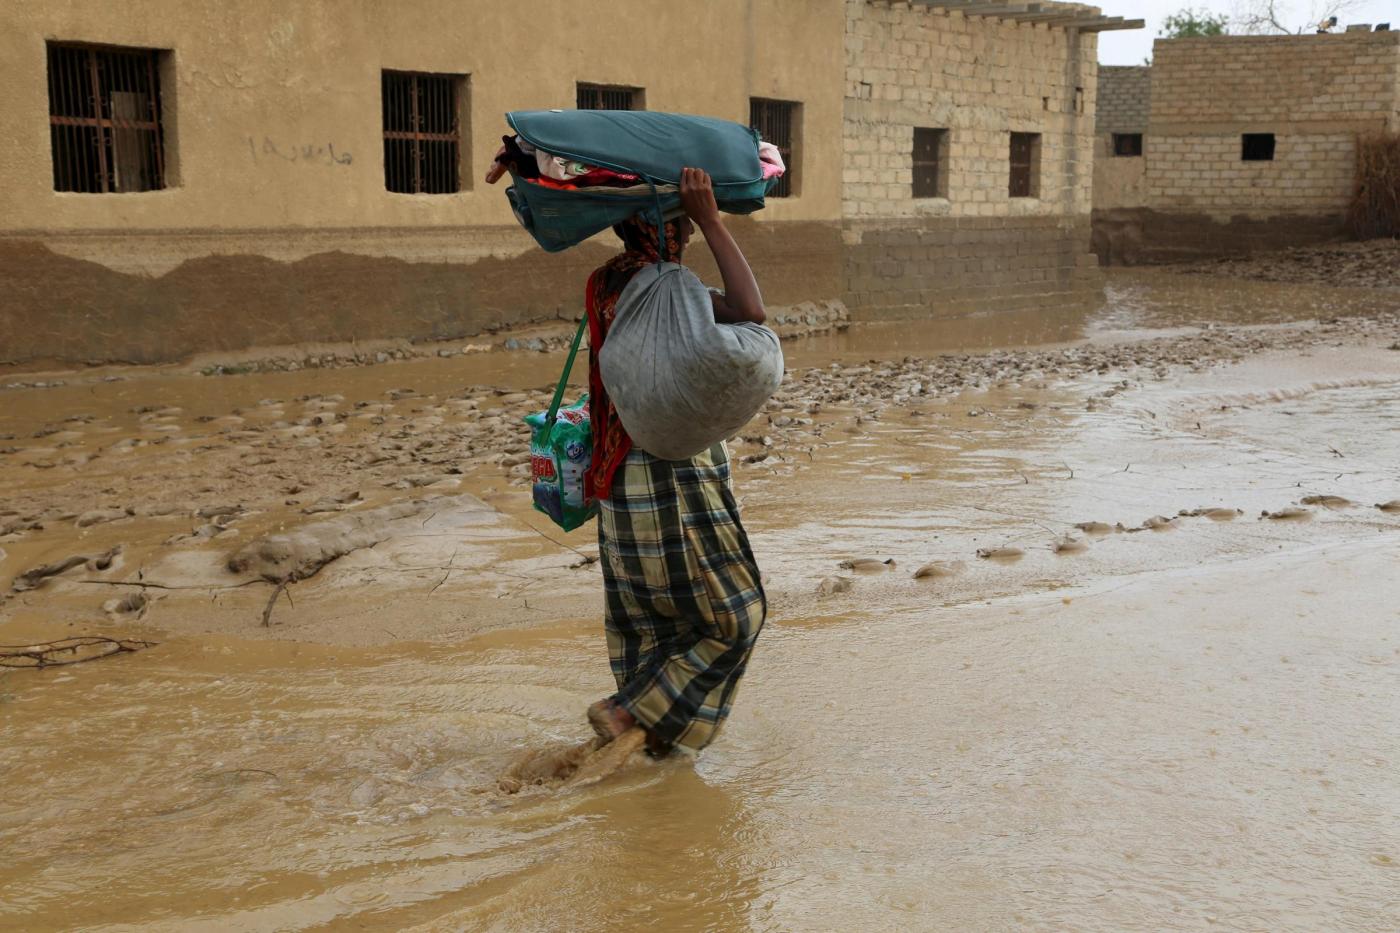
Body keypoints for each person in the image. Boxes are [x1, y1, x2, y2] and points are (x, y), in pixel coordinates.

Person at [580, 168, 769, 758]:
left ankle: (642, 760)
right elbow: (750, 310)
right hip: (669, 473)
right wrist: (716, 218)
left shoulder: (605, 280)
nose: (688, 233)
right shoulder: (667, 284)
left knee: (653, 635)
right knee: (738, 616)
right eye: (683, 224)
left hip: (616, 475)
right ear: (663, 228)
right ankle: (626, 712)